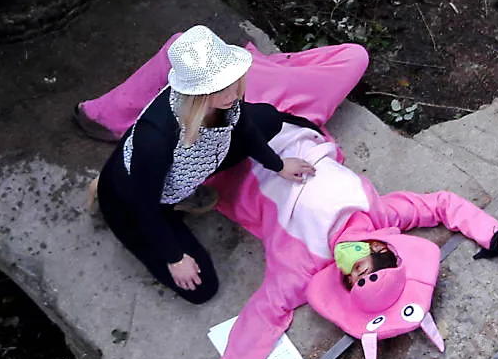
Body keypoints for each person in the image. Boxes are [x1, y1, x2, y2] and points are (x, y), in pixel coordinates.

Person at [79, 32, 498, 359]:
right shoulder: (381, 213)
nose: (362, 260)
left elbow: (261, 323)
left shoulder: (303, 263)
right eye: (379, 260)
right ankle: (158, 105)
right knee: (347, 62)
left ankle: (146, 177)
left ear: (343, 279)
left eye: (358, 275)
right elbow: (441, 206)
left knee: (202, 284)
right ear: (389, 248)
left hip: (235, 151)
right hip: (271, 126)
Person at [91, 25, 329, 304]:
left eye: (231, 81)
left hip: (193, 164)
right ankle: (115, 198)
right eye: (218, 88)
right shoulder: (154, 137)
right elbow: (144, 205)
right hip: (134, 203)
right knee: (202, 287)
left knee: (269, 118)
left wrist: (277, 165)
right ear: (195, 92)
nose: (231, 93)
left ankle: (187, 195)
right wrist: (175, 257)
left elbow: (243, 127)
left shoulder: (225, 101)